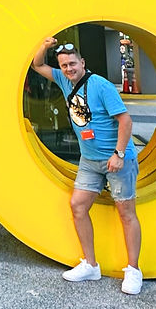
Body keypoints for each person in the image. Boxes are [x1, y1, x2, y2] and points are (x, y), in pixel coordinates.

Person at [31, 38, 143, 295]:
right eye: (64, 65)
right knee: (78, 206)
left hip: (117, 160)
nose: (68, 68)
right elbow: (38, 65)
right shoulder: (64, 80)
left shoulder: (100, 85)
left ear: (83, 63)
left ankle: (134, 270)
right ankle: (91, 265)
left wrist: (118, 153)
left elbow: (125, 121)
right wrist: (45, 46)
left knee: (126, 213)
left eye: (72, 64)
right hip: (89, 160)